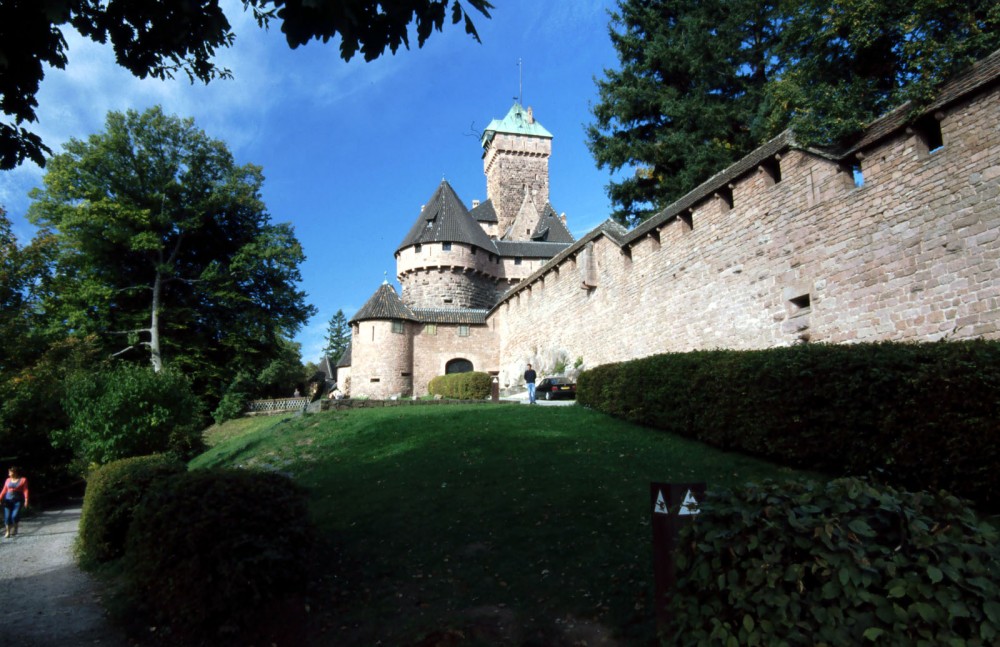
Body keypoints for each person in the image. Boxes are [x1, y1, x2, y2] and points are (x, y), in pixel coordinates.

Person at [0, 467, 29, 538]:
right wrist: (0, 498)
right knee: (7, 516)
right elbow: (4, 490)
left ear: (15, 472)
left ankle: (15, 527)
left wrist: (26, 500)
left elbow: (25, 490)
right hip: (8, 500)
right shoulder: (7, 480)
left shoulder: (23, 480)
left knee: (14, 516)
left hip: (17, 500)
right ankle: (8, 532)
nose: (9, 473)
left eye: (10, 472)